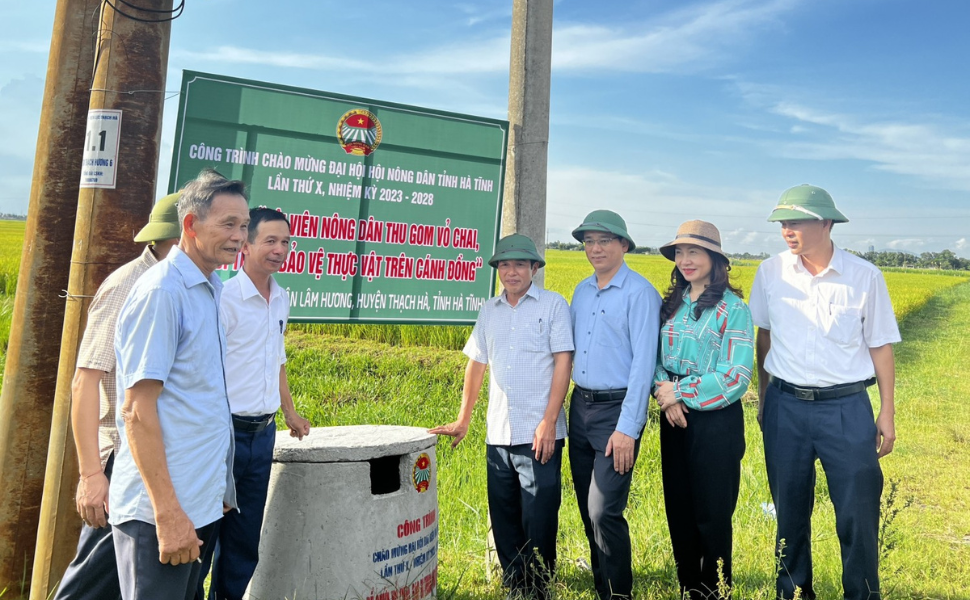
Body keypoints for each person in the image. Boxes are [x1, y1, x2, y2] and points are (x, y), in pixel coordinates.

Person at [750, 184, 900, 600]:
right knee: (790, 514)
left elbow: (881, 346)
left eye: (795, 222)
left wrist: (886, 412)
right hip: (785, 407)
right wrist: (764, 398)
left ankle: (863, 594)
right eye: (783, 223)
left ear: (826, 223)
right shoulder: (770, 272)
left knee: (857, 513)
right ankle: (794, 593)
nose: (787, 231)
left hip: (847, 407)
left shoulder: (864, 276)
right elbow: (764, 336)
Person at [110, 169, 249, 600]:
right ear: (190, 224)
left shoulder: (209, 288)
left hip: (198, 502)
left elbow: (200, 398)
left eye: (244, 226)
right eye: (228, 224)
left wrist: (215, 488)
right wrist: (168, 512)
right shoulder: (162, 292)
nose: (239, 237)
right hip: (159, 514)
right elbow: (136, 410)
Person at [430, 234, 573, 600]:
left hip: (539, 434)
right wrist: (464, 420)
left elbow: (563, 363)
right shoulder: (489, 310)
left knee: (539, 519)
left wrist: (548, 421)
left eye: (520, 264)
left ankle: (541, 588)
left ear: (534, 269)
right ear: (498, 270)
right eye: (505, 265)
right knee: (506, 517)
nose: (512, 272)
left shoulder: (553, 306)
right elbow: (476, 366)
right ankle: (515, 588)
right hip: (498, 433)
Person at [53, 193, 181, 600]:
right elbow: (85, 382)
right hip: (120, 459)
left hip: (156, 457)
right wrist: (91, 475)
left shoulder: (185, 286)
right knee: (91, 583)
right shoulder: (130, 284)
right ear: (180, 236)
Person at [201, 207, 311, 600]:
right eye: (270, 240)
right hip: (222, 434)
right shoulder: (225, 299)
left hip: (263, 436)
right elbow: (206, 368)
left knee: (244, 544)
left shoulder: (281, 298)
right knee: (205, 535)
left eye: (285, 242)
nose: (279, 249)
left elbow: (276, 357)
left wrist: (290, 411)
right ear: (245, 245)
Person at [652, 220, 754, 599]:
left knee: (712, 512)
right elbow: (655, 359)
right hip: (672, 416)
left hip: (715, 421)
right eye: (680, 253)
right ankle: (687, 586)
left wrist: (680, 393)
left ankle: (715, 589)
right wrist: (665, 394)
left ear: (714, 258)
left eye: (694, 252)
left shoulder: (734, 310)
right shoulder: (671, 305)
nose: (685, 260)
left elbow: (736, 375)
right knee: (678, 506)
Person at [568, 210, 661, 600]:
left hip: (616, 410)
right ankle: (601, 587)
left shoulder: (640, 293)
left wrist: (628, 428)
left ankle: (618, 593)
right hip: (580, 408)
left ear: (624, 245)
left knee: (604, 510)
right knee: (586, 509)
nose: (595, 248)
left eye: (604, 240)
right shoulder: (581, 291)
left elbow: (643, 367)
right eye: (589, 241)